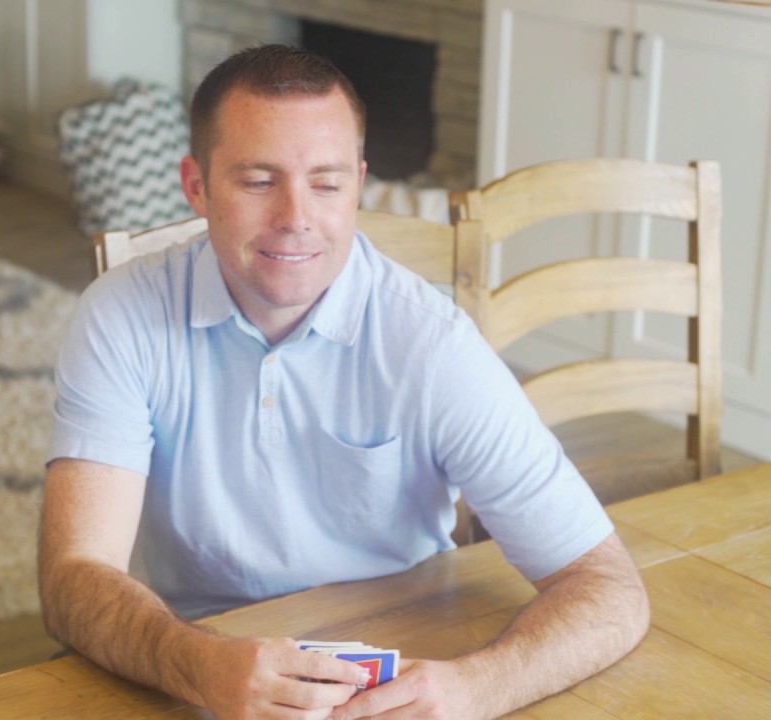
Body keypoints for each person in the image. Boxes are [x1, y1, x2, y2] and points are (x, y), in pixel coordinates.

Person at [39, 44, 649, 720]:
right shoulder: (121, 314)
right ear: (197, 186)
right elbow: (72, 578)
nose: (296, 217)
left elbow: (608, 589)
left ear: (358, 184)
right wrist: (197, 665)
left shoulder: (432, 343)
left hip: (409, 668)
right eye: (258, 180)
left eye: (326, 184)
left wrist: (478, 687)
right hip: (197, 667)